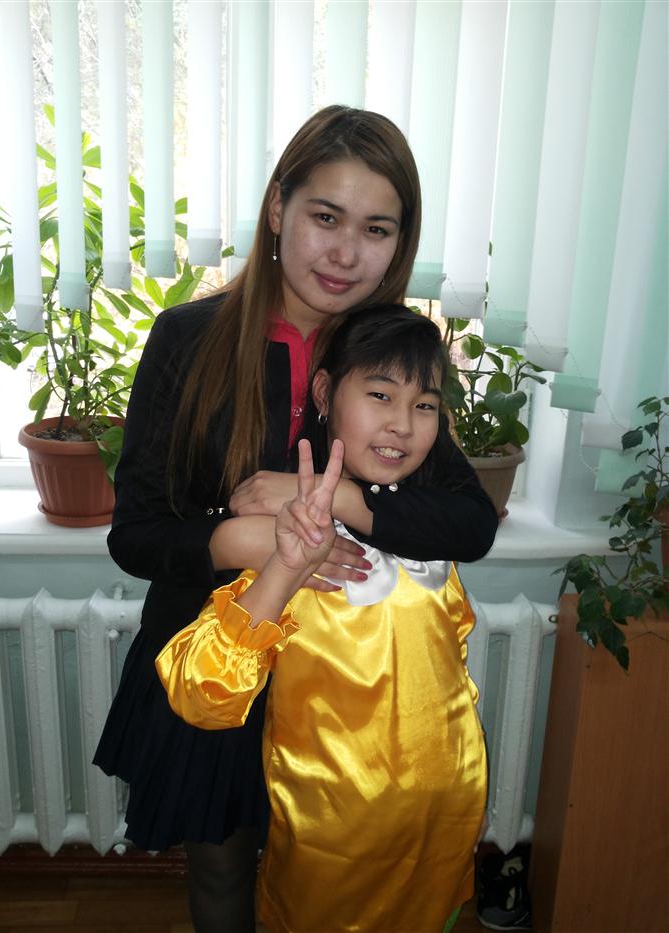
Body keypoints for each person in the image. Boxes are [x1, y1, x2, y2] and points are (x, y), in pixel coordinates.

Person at [93, 106, 497, 933]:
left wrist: (341, 502)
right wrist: (248, 539)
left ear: (401, 242)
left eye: (376, 229)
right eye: (325, 216)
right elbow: (135, 533)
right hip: (217, 655)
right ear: (278, 208)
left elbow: (468, 521)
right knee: (220, 864)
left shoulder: (389, 356)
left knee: (331, 877)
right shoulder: (188, 339)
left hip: (348, 687)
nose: (347, 253)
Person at [156, 306, 488, 933]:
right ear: (326, 393)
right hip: (332, 837)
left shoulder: (427, 531)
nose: (402, 424)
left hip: (441, 821)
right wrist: (285, 567)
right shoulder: (296, 543)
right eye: (381, 394)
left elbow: (451, 661)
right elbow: (202, 694)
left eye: (424, 405)